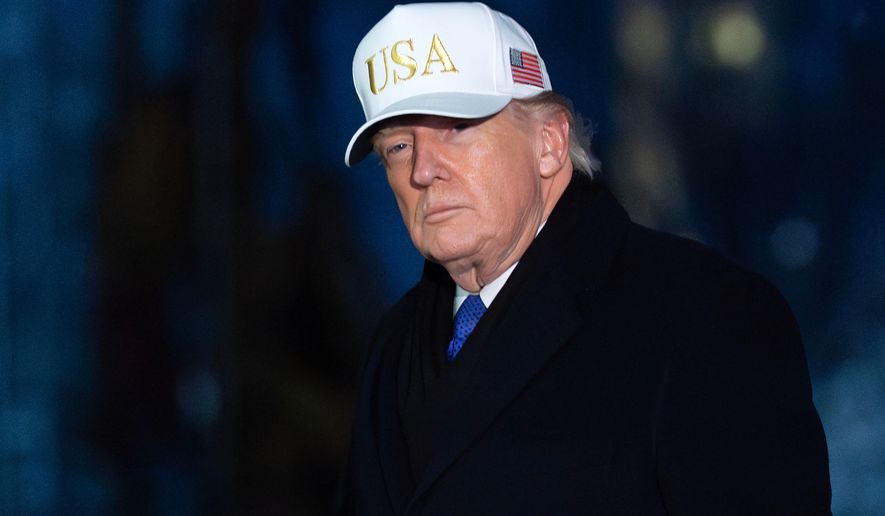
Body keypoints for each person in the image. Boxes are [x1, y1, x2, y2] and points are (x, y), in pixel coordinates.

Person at [338, 3, 832, 515]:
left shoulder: (703, 316)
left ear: (549, 142)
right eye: (397, 145)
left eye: (457, 128)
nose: (423, 170)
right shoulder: (395, 345)